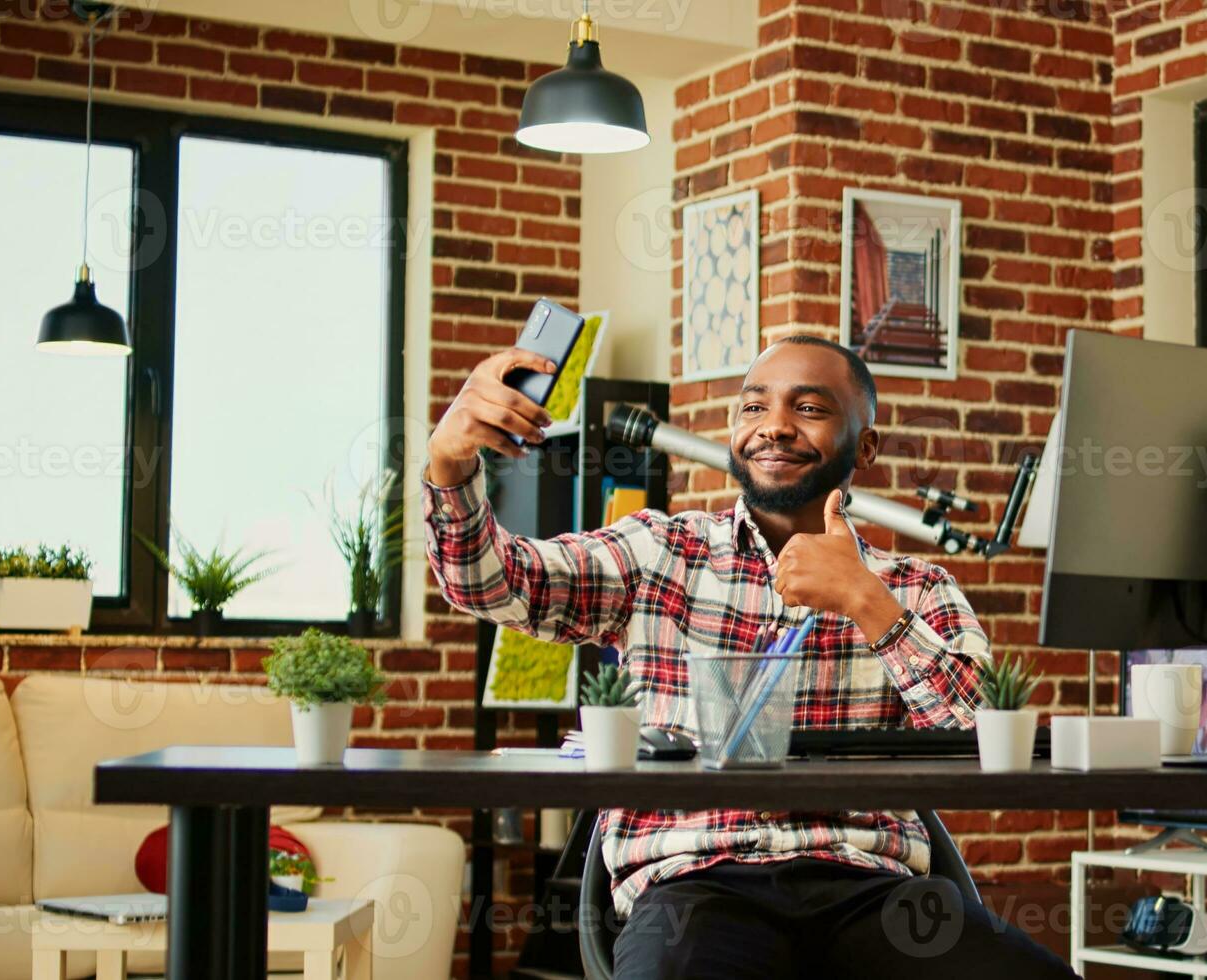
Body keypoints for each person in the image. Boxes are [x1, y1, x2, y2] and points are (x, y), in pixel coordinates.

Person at [422, 336, 1077, 979]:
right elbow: (492, 582)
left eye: (811, 409)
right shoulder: (659, 553)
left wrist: (864, 599)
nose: (775, 427)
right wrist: (449, 464)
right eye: (754, 407)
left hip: (873, 892)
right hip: (696, 888)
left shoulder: (917, 589)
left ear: (865, 447)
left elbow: (992, 742)